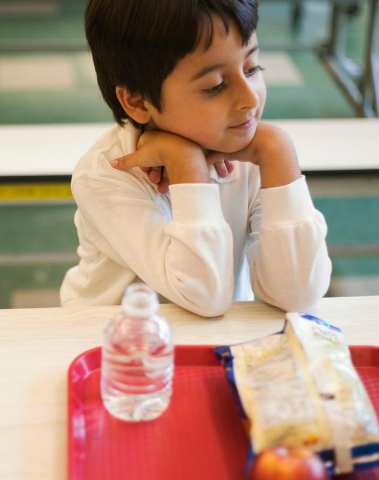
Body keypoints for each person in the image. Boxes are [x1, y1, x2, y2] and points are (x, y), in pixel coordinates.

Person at [60, 0, 332, 316]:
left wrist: (277, 148)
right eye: (215, 86)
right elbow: (204, 297)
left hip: (213, 341)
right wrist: (186, 163)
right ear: (137, 101)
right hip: (113, 344)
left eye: (252, 68)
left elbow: (298, 295)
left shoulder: (253, 152)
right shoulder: (105, 176)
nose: (249, 99)